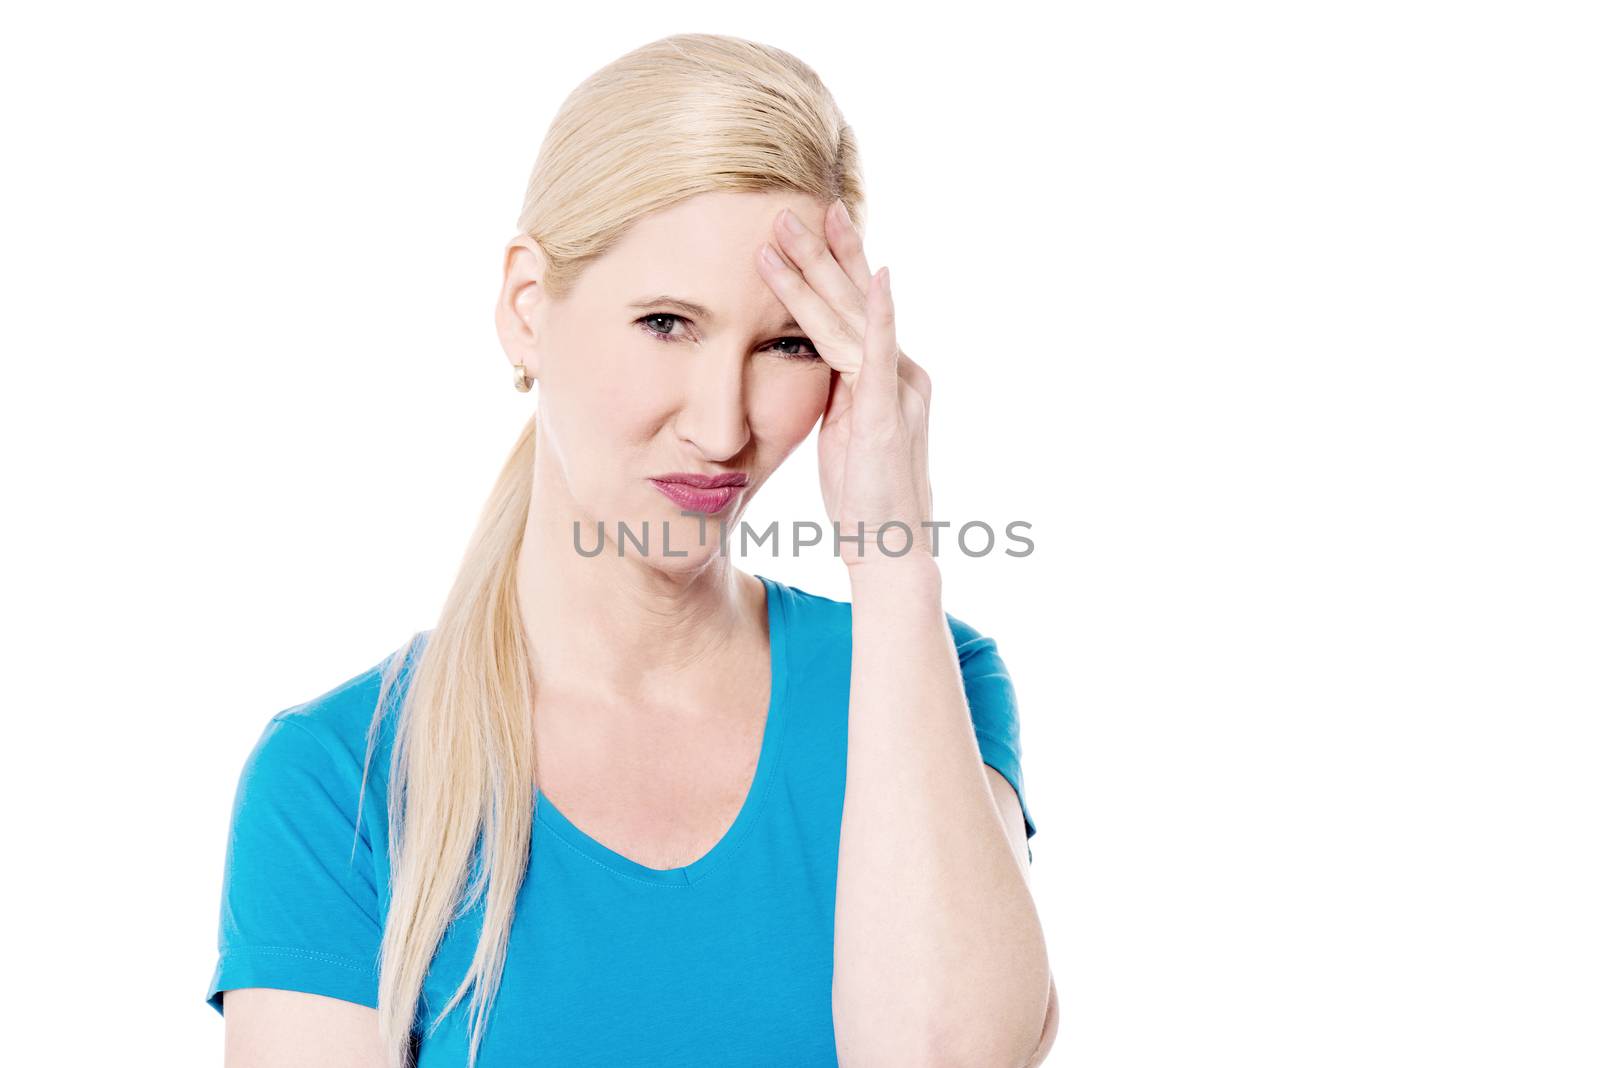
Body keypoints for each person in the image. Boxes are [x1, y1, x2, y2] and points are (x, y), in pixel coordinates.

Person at [205, 32, 1056, 1068]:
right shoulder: (340, 779)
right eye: (665, 322)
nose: (720, 425)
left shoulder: (924, 676)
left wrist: (892, 558)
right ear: (527, 308)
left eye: (786, 343)